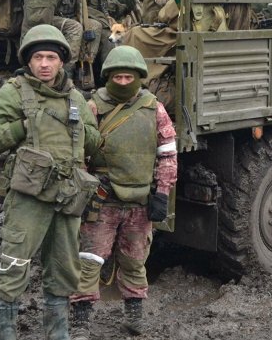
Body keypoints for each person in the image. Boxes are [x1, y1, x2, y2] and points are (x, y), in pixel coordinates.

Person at [0, 24, 100, 340]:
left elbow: (94, 142)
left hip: (66, 199)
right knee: (14, 269)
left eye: (51, 58)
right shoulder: (12, 93)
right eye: (39, 57)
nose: (45, 64)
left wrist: (87, 131)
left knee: (63, 271)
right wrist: (21, 127)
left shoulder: (75, 98)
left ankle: (58, 335)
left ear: (62, 61)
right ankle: (6, 333)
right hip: (28, 198)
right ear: (28, 61)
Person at [70, 46, 177, 337]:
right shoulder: (94, 107)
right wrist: (84, 189)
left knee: (134, 260)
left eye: (128, 76)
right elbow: (79, 152)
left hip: (140, 201)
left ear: (139, 76)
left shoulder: (154, 108)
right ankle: (80, 323)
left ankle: (135, 316)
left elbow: (167, 153)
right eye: (117, 77)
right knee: (90, 260)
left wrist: (162, 193)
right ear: (108, 77)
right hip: (102, 199)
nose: (122, 81)